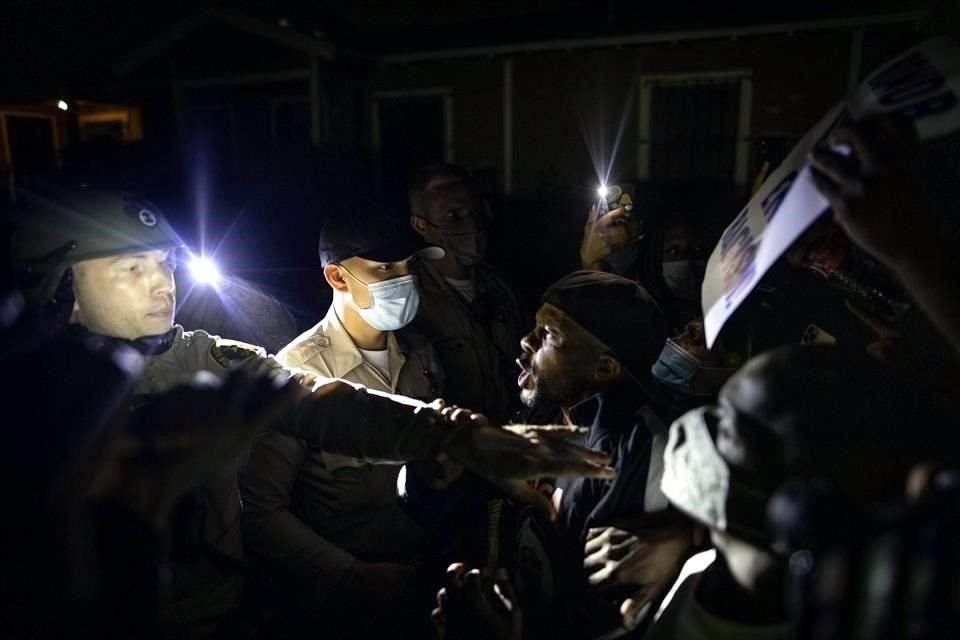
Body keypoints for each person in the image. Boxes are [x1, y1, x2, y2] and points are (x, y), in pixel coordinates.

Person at [9, 186, 616, 638]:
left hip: (215, 617)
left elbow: (314, 399)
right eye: (132, 268)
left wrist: (456, 435)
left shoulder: (202, 357)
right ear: (59, 288)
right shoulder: (26, 401)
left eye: (165, 262)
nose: (162, 283)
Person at [405, 271, 692, 638]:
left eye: (549, 336)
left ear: (604, 367)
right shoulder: (550, 408)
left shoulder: (638, 452)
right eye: (534, 328)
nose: (526, 341)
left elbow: (603, 617)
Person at [240, 209, 446, 635]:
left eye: (411, 265)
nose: (405, 278)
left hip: (424, 581)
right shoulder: (298, 371)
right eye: (386, 267)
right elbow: (261, 511)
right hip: (342, 603)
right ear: (337, 277)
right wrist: (352, 574)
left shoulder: (423, 356)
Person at [408, 163, 526, 423]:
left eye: (475, 213)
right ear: (421, 225)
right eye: (453, 216)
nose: (471, 226)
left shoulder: (500, 288)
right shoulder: (408, 298)